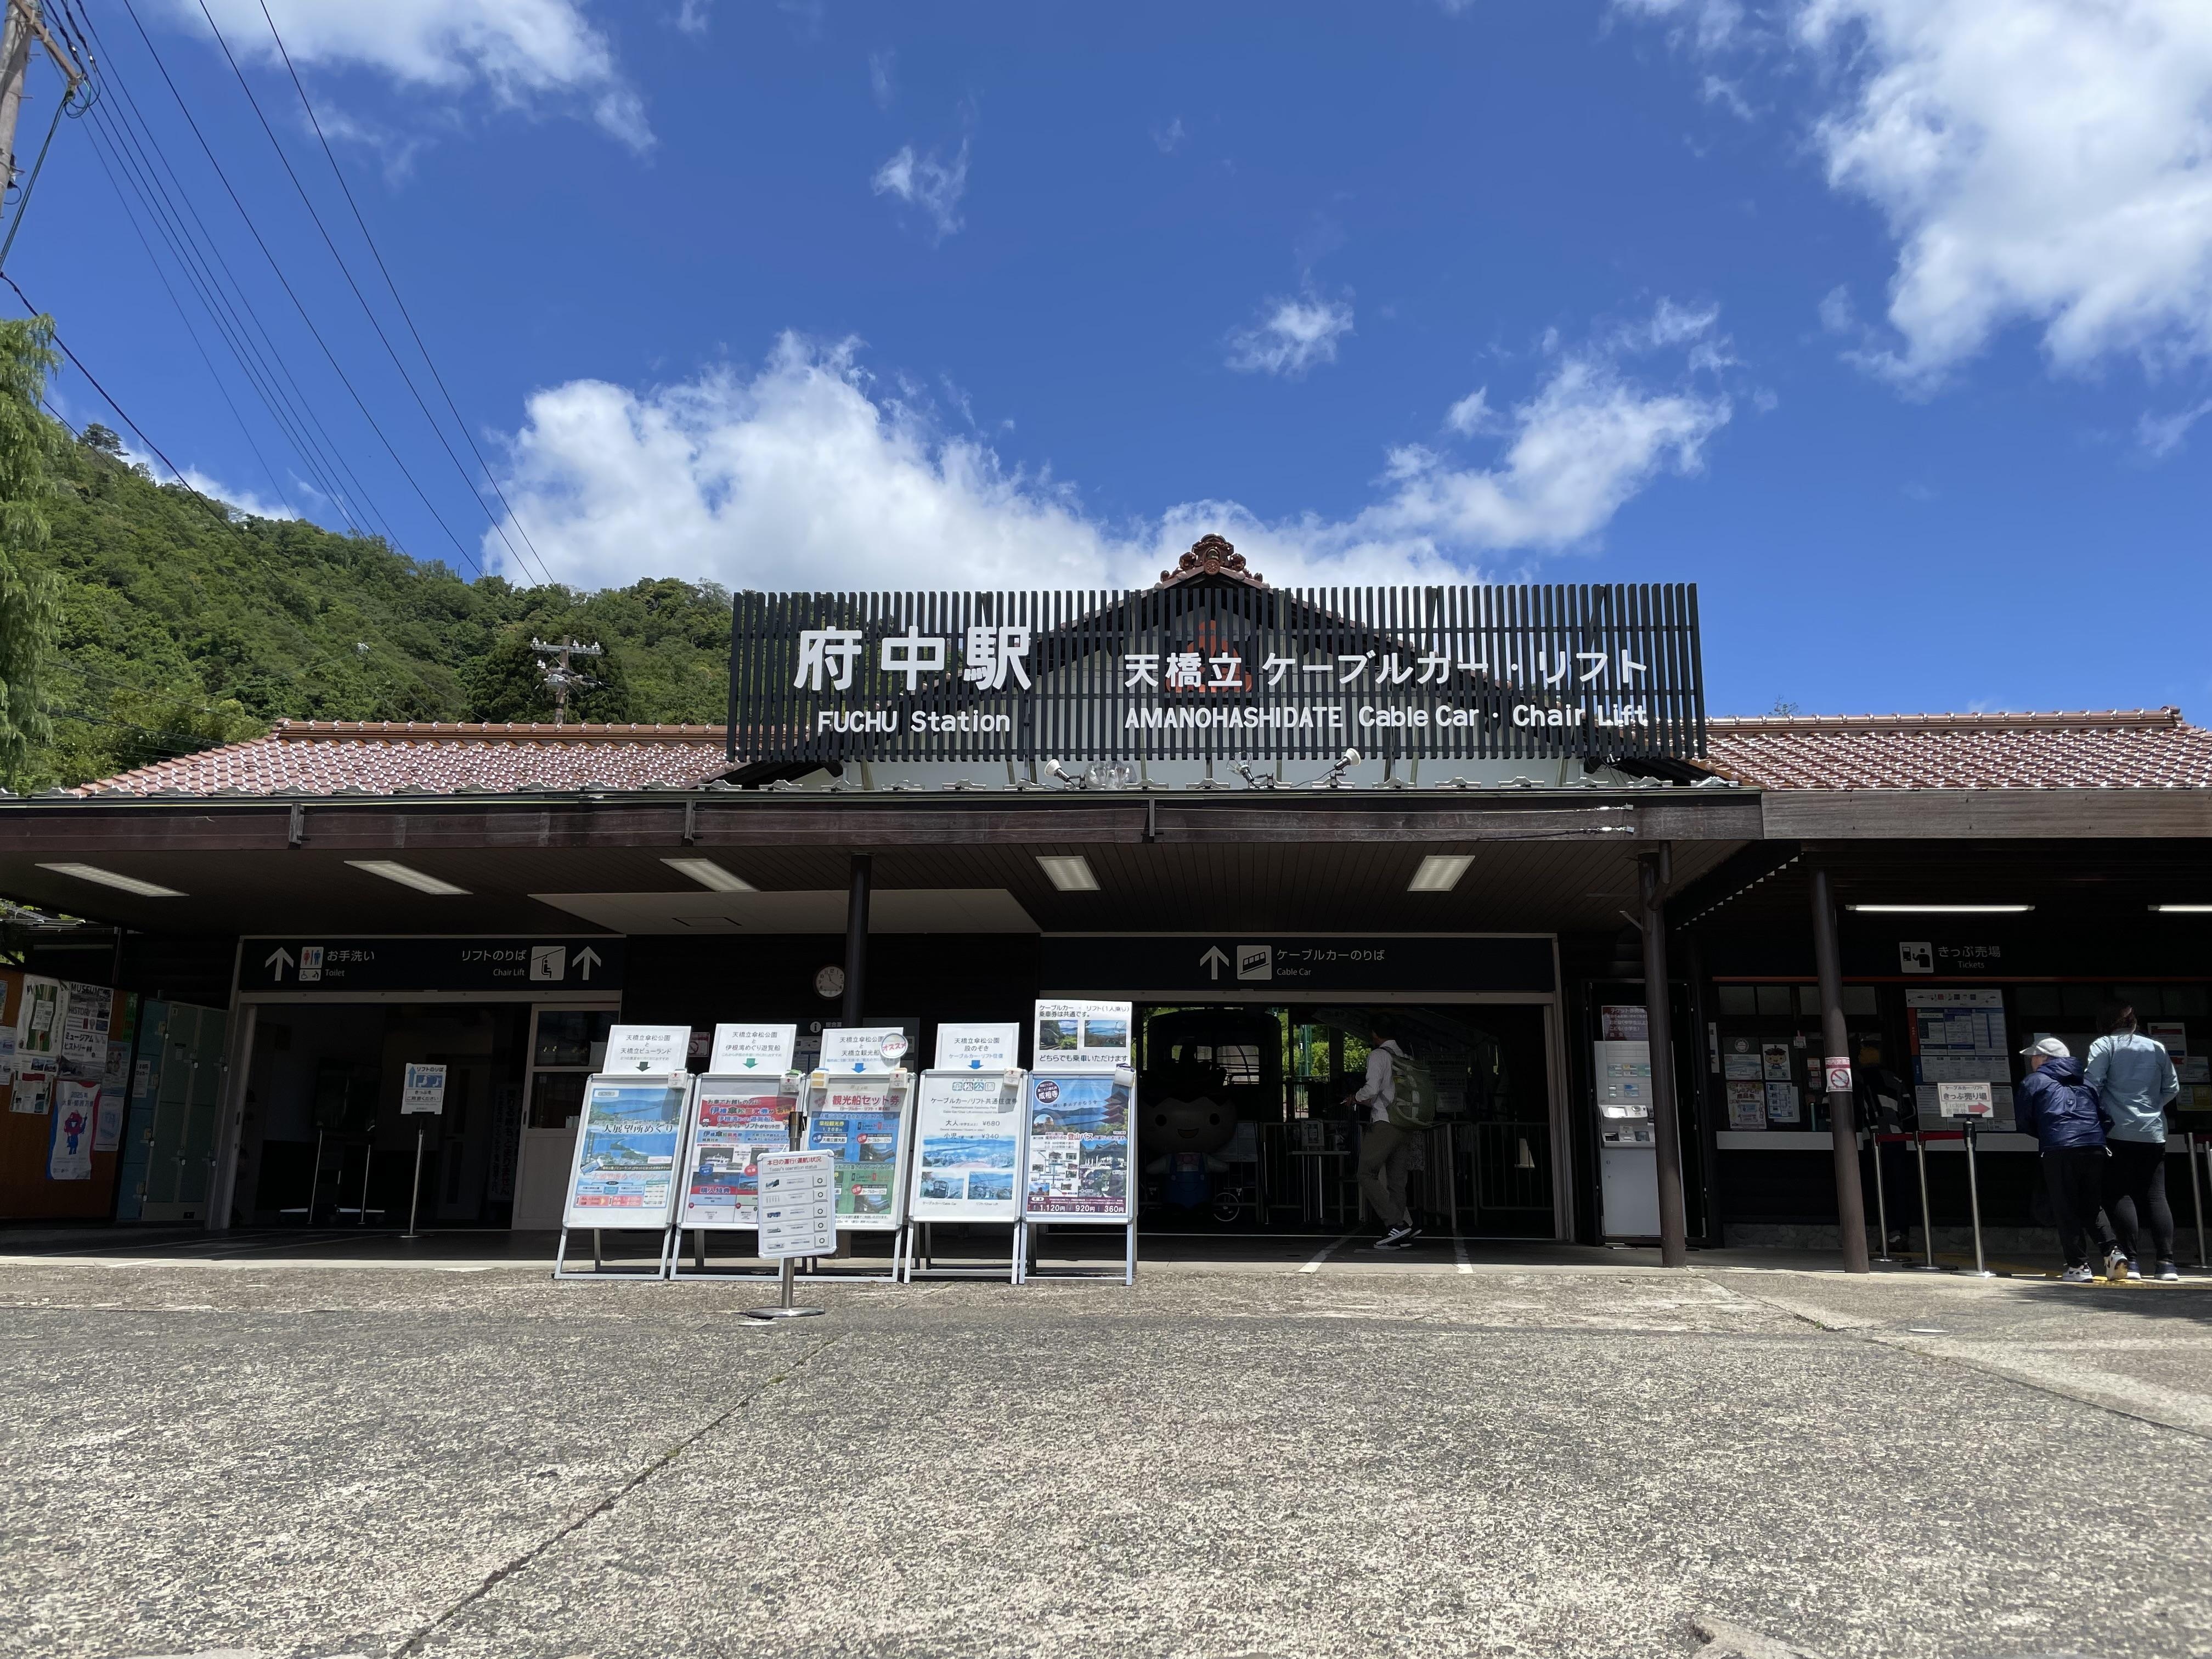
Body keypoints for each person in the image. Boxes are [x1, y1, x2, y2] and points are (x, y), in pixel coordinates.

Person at [2086, 1006, 2182, 1282]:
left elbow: (2091, 1084)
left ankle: (2133, 1262)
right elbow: (2172, 1087)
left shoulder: (2104, 1045)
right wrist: (2152, 1107)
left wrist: (2108, 1108)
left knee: (2121, 1194)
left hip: (2117, 1131)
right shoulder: (2156, 1047)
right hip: (2153, 1132)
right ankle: (2167, 1264)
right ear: (2134, 1023)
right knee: (2156, 1195)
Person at [2014, 1037, 2117, 1283]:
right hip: (2095, 1146)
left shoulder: (2034, 1082)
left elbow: (2024, 1120)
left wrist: (2047, 1133)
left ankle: (2078, 1267)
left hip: (2059, 1148)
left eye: (2034, 1056)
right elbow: (2106, 1118)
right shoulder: (2086, 1082)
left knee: (2065, 1206)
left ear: (2045, 1059)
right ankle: (2113, 1253)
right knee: (2092, 1204)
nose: (2031, 1061)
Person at [1350, 1023, 1419, 1250]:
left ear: (1375, 1034)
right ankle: (1403, 1229)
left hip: (1385, 1122)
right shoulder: (1405, 1056)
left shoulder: (1379, 1055)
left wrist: (1356, 1097)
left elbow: (1372, 1089)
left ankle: (1395, 1224)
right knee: (1397, 1181)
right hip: (1405, 1124)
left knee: (1365, 1172)